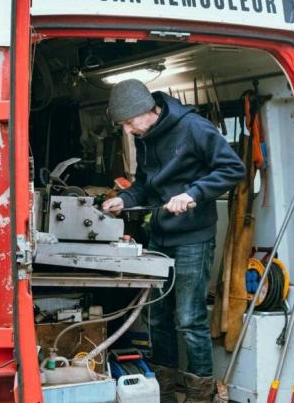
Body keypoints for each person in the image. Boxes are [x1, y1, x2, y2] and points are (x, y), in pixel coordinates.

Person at [102, 79, 245, 403]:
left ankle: (199, 395)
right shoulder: (145, 137)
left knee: (189, 319)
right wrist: (125, 199)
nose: (127, 131)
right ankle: (164, 392)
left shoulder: (194, 127)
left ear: (146, 110)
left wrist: (193, 194)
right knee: (158, 317)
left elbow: (233, 168)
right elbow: (145, 185)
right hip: (160, 235)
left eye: (128, 123)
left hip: (193, 237)